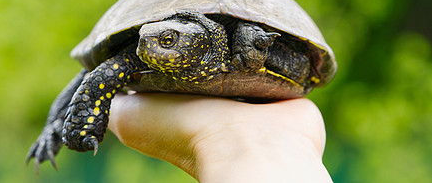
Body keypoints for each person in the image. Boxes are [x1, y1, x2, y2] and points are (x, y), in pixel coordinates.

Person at [108, 93, 333, 183]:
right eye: (142, 41)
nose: (149, 46)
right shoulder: (147, 45)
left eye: (167, 40)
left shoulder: (242, 41)